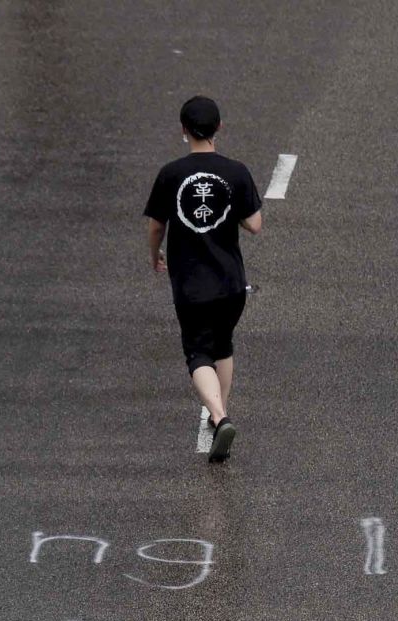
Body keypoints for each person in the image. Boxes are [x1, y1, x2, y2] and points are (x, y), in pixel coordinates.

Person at [144, 95, 263, 463]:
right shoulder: (236, 171)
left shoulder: (171, 174)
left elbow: (156, 226)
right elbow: (255, 224)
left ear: (183, 130)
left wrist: (155, 256)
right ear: (219, 128)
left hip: (192, 285)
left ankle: (219, 416)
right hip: (230, 283)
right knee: (223, 345)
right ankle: (219, 421)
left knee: (198, 351)